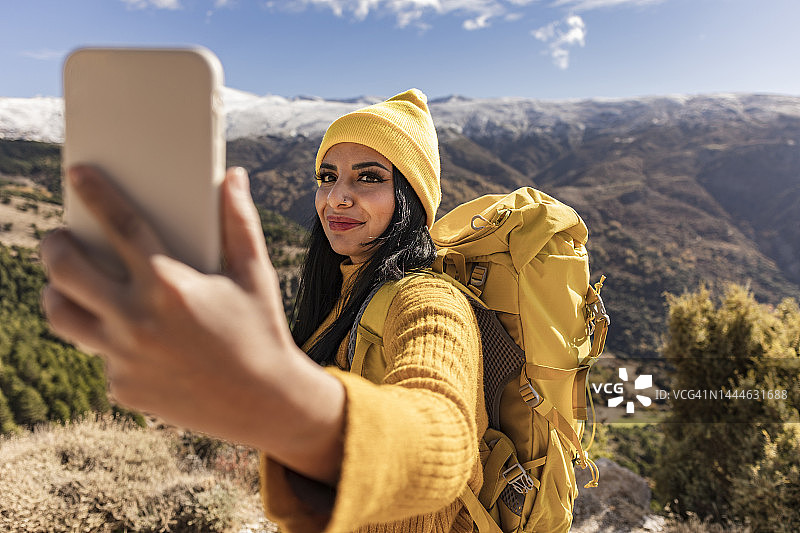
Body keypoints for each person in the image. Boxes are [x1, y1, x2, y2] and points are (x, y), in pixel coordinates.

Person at [41, 88, 486, 532]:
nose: (336, 198)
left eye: (368, 178)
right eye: (327, 177)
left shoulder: (429, 299)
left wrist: (280, 399)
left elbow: (443, 437)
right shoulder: (341, 294)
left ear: (412, 199)